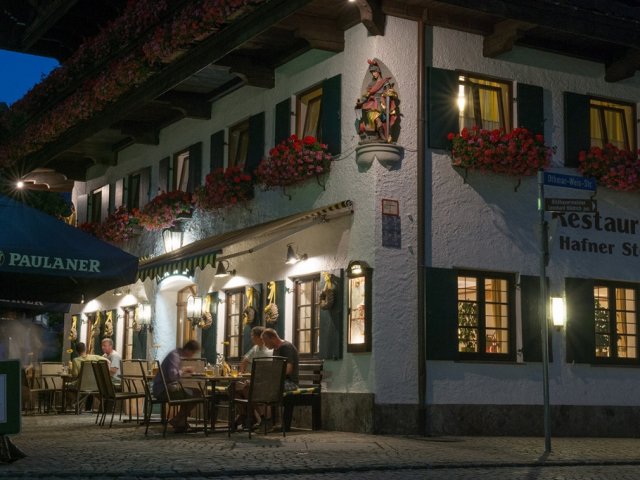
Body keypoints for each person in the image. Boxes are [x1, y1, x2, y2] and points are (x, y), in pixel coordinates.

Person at [152, 340, 201, 433]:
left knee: (192, 393)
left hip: (163, 389)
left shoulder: (176, 354)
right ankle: (177, 419)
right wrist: (185, 369)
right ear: (188, 350)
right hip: (163, 391)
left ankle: (180, 422)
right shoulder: (174, 356)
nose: (192, 355)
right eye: (193, 353)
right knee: (197, 394)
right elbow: (173, 376)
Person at [354, 59, 398, 143]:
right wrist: (361, 102)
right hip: (372, 103)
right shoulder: (371, 84)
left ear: (378, 71)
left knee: (376, 116)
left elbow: (389, 92)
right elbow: (367, 95)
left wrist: (388, 93)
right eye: (372, 72)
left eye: (374, 72)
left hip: (381, 103)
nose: (373, 74)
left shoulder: (385, 82)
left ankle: (382, 135)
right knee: (368, 115)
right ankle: (376, 135)